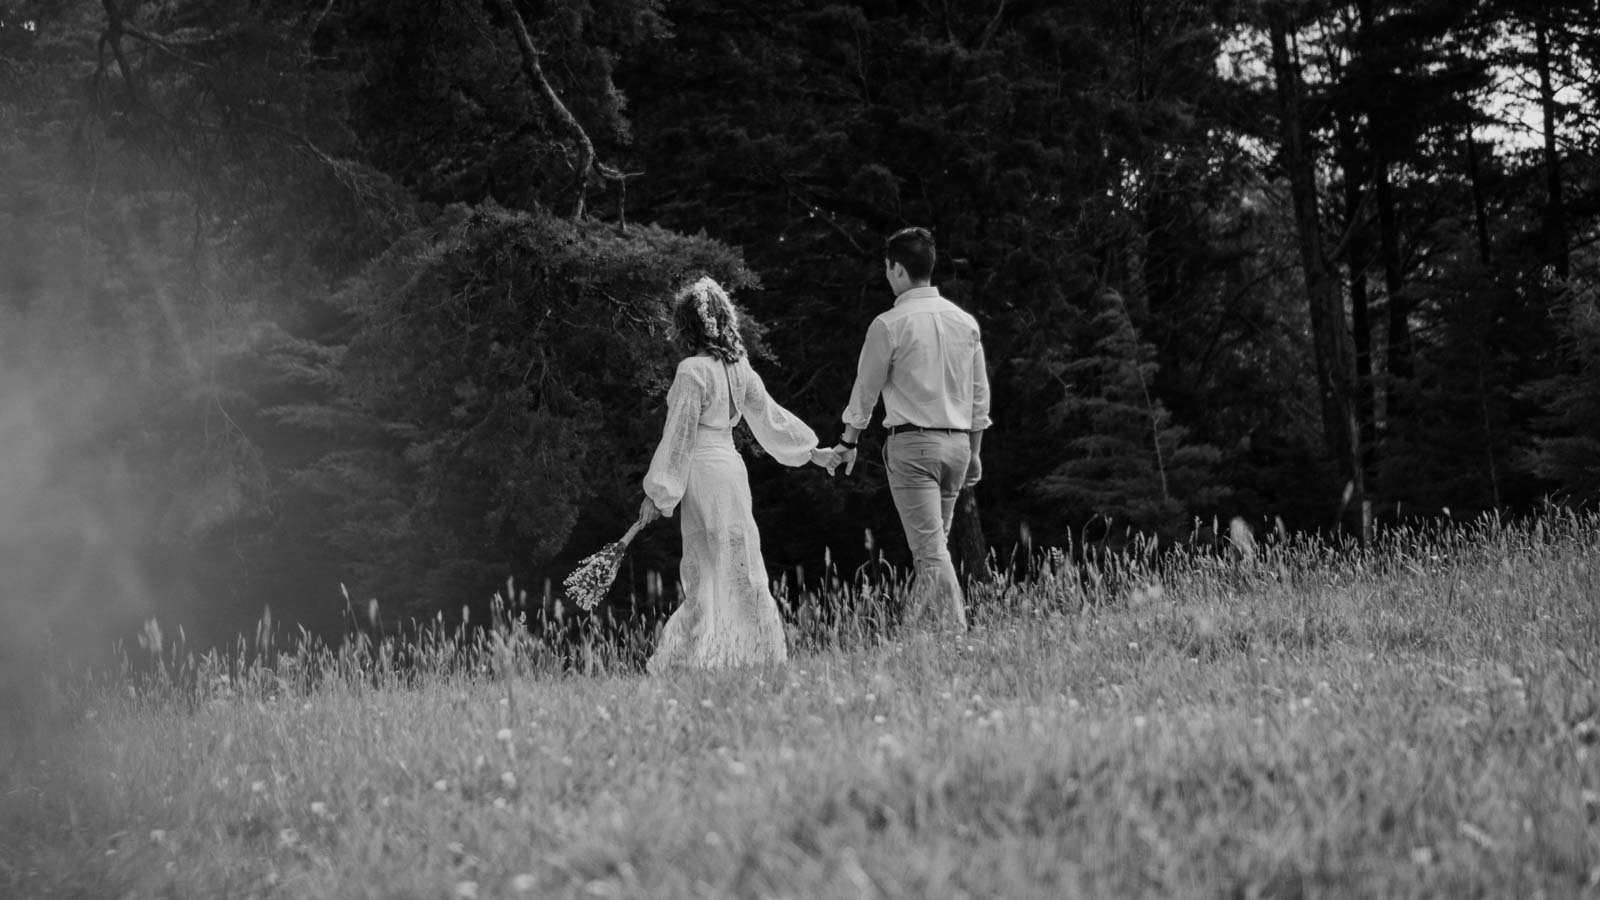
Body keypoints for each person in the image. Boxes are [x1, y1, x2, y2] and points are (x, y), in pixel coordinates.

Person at [639, 276, 837, 672]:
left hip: (702, 472)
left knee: (705, 569)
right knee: (741, 560)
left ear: (687, 326)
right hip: (731, 469)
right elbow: (770, 418)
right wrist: (812, 452)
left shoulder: (691, 371)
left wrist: (658, 495)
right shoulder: (738, 368)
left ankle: (690, 659)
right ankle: (752, 652)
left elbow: (678, 436)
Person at [830, 227, 991, 630]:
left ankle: (958, 637)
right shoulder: (965, 323)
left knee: (931, 553)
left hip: (914, 449)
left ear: (898, 269)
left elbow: (863, 394)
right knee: (932, 550)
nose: (887, 274)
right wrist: (974, 451)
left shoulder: (889, 324)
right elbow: (979, 396)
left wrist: (848, 441)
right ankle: (913, 639)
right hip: (957, 447)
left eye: (887, 267)